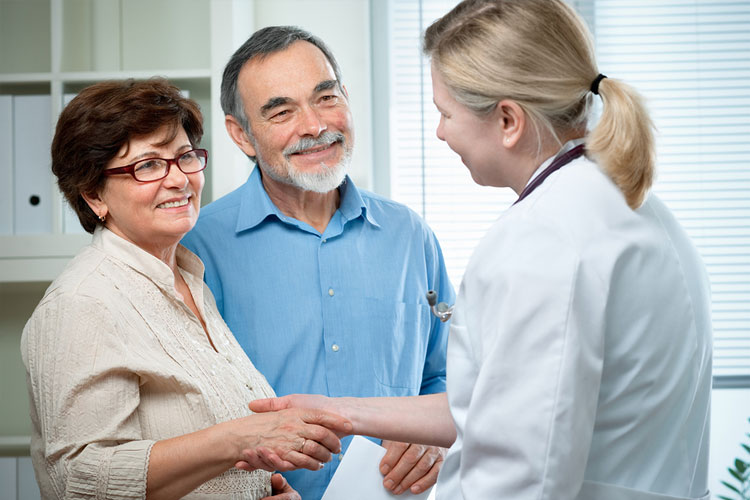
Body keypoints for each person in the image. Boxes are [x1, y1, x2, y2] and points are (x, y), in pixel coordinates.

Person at [248, 1, 714, 500]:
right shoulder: (628, 203)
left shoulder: (543, 238)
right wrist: (342, 412)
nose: (440, 131)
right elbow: (495, 403)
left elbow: (520, 475)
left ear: (508, 120)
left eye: (445, 112)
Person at [20, 78, 352, 500]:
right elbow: (82, 481)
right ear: (93, 195)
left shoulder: (191, 278)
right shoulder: (81, 304)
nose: (178, 180)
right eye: (148, 165)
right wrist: (241, 438)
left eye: (184, 157)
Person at [180, 26, 454, 499]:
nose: (313, 126)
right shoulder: (195, 249)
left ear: (346, 97)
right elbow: (184, 413)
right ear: (241, 134)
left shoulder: (411, 236)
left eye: (326, 97)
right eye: (282, 111)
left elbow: (446, 377)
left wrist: (433, 442)